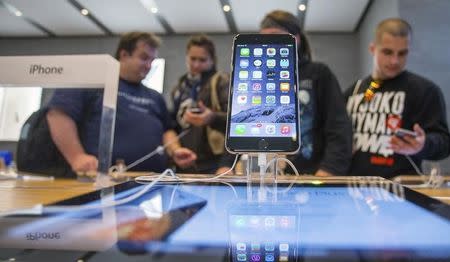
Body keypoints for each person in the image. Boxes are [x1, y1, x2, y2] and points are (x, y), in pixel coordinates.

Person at [47, 32, 196, 175]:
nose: (149, 65)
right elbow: (59, 114)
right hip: (97, 181)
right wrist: (77, 157)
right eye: (144, 58)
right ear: (124, 55)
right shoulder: (94, 82)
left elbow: (167, 130)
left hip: (151, 183)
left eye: (152, 60)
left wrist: (175, 150)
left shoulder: (155, 97)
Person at [344, 18, 450, 179]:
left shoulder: (425, 91)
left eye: (402, 53)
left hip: (403, 190)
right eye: (387, 52)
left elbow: (444, 143)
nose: (395, 61)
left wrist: (423, 144)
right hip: (354, 189)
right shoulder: (354, 91)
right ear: (373, 49)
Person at [259, 10, 353, 176]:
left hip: (312, 174)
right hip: (268, 174)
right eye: (264, 39)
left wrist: (329, 170)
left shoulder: (319, 73)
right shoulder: (259, 77)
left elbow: (339, 129)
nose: (270, 45)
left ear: (296, 38)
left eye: (276, 36)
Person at [170, 34, 234, 174]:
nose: (196, 64)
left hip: (214, 164)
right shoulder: (179, 88)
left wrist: (212, 117)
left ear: (212, 60)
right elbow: (173, 126)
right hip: (184, 163)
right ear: (187, 57)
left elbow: (237, 122)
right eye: (193, 59)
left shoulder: (221, 82)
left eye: (202, 60)